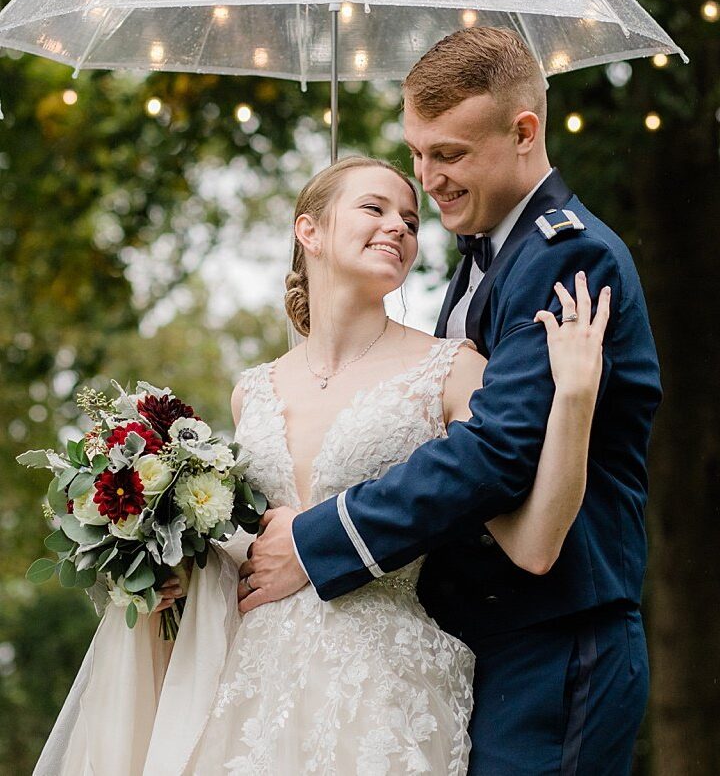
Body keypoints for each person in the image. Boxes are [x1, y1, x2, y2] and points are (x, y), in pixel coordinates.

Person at [35, 154, 608, 776]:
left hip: (385, 694)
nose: (399, 227)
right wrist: (175, 572)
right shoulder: (251, 391)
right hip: (246, 692)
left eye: (411, 221)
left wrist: (575, 399)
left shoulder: (452, 371)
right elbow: (249, 551)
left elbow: (533, 544)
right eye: (374, 208)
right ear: (308, 232)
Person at [236, 28, 662, 775]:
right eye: (416, 152)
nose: (426, 180)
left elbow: (497, 454)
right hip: (479, 641)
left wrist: (318, 537)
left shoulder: (568, 255)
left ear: (524, 132)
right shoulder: (481, 266)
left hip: (557, 637)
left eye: (450, 154)